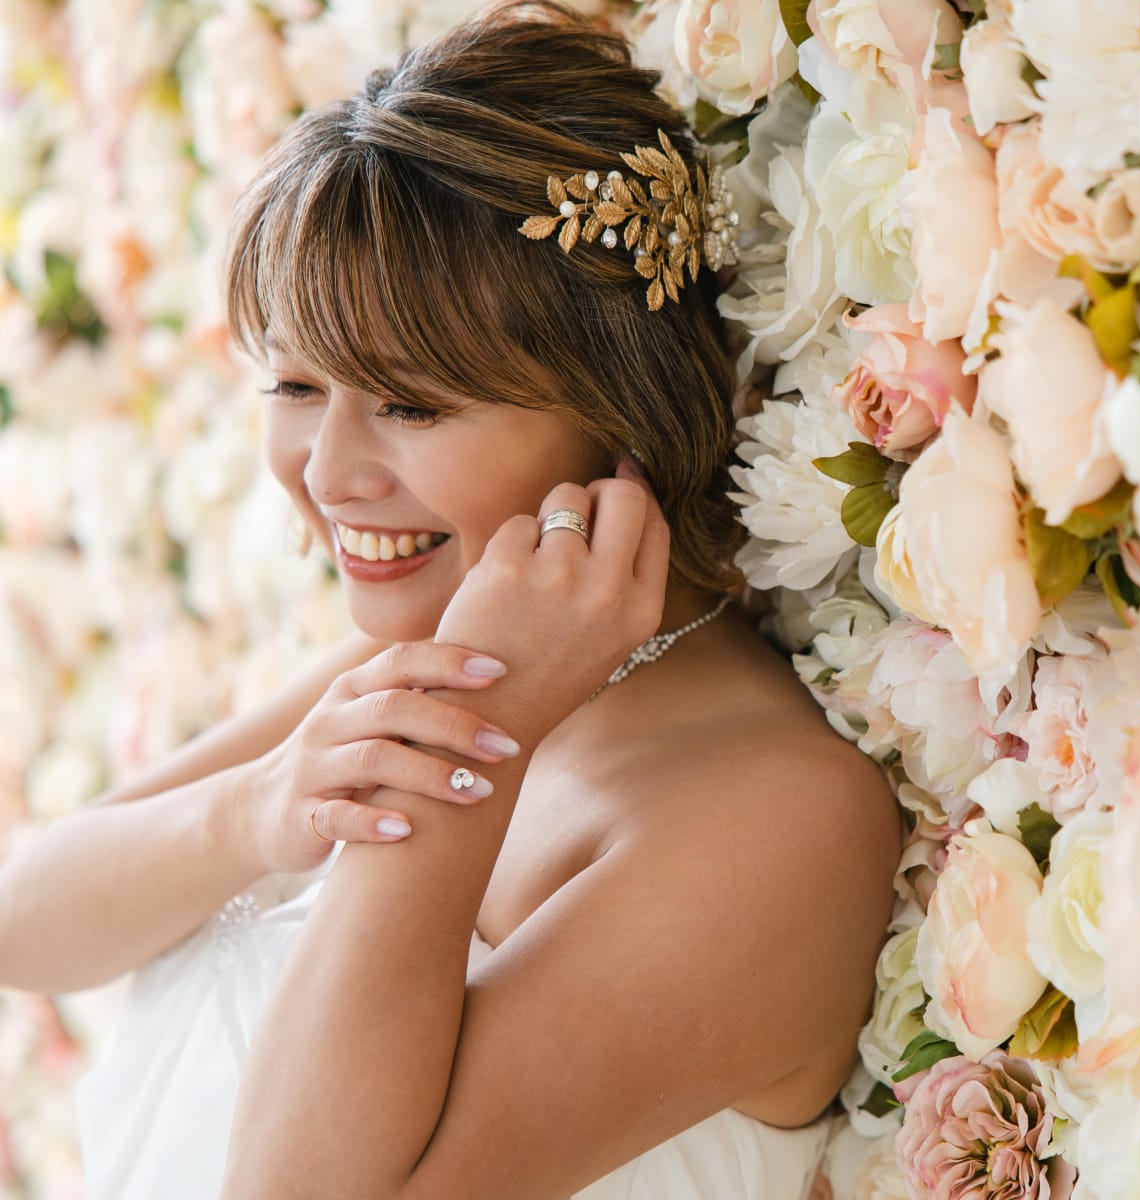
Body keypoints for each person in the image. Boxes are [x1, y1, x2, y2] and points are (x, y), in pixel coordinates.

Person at [0, 2, 903, 1195]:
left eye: (411, 404)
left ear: (622, 411)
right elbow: (24, 921)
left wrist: (473, 738)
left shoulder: (776, 819)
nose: (327, 475)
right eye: (295, 387)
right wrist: (261, 809)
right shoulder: (418, 667)